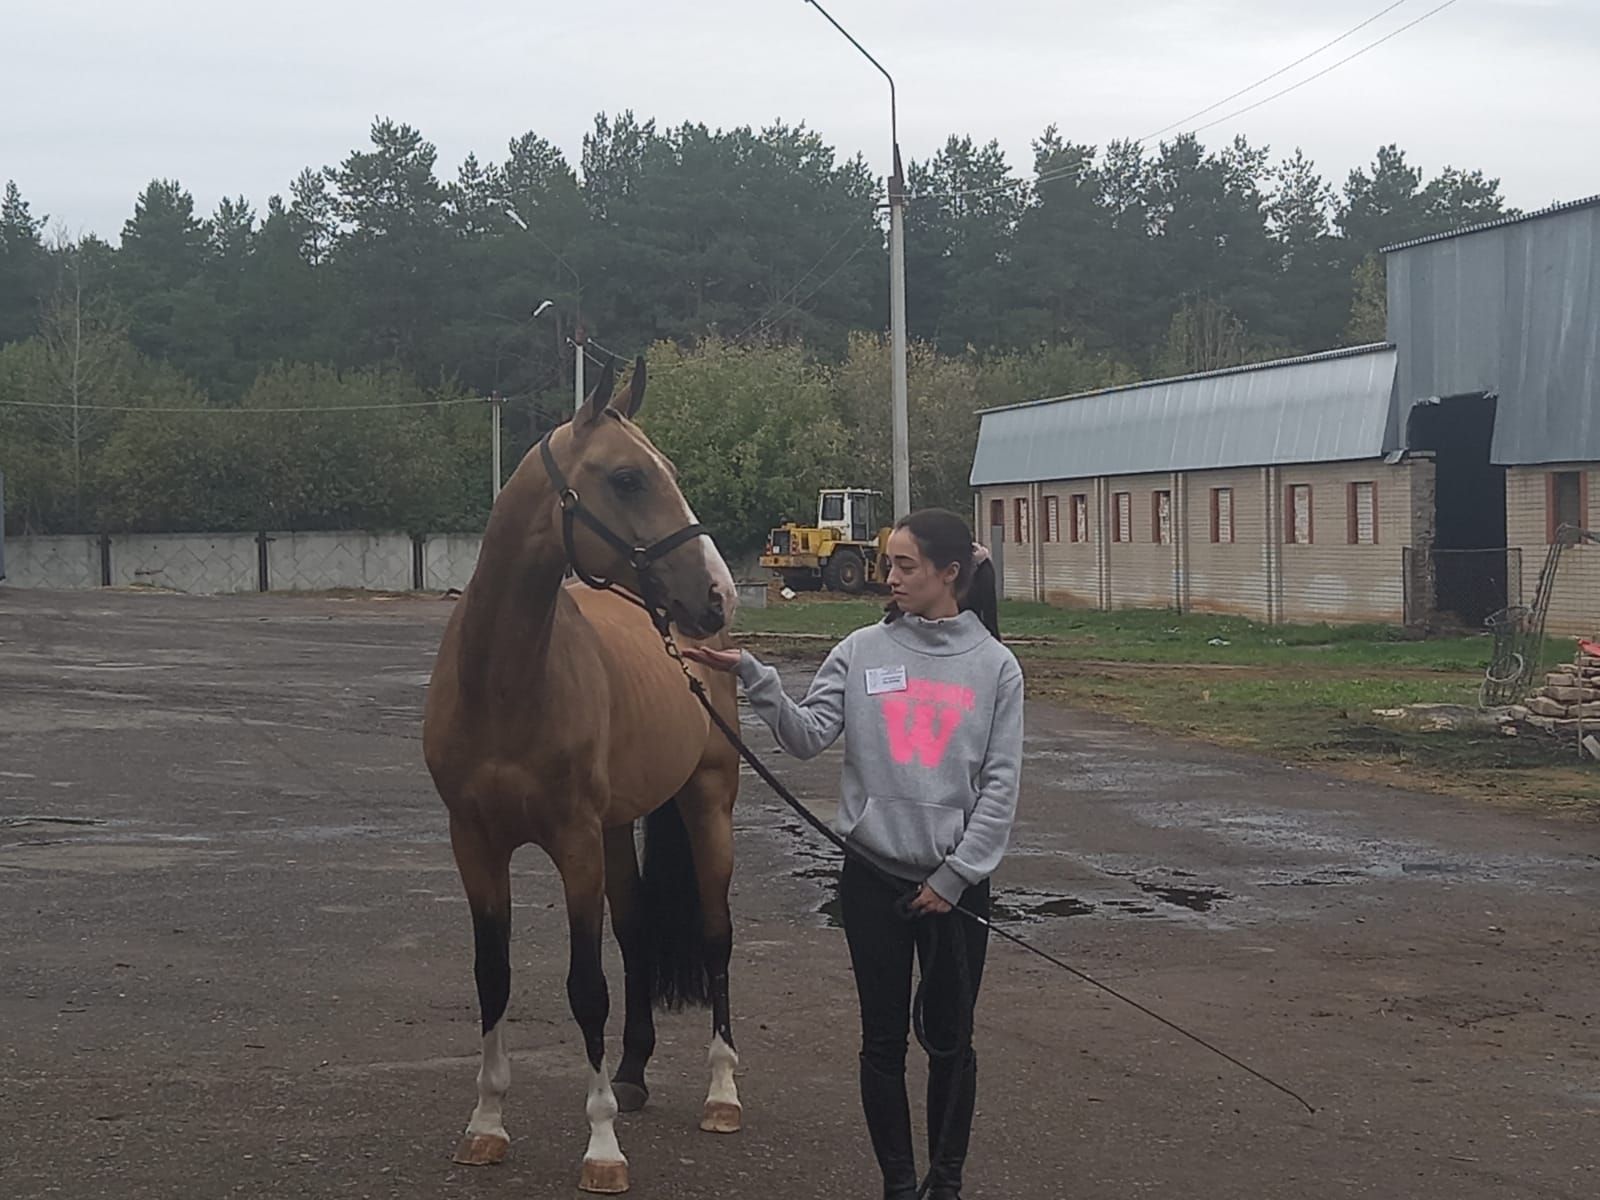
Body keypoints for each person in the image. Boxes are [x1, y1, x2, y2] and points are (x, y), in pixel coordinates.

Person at [685, 508, 1024, 1200]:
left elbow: (1000, 787)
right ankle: (899, 1186)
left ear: (949, 573)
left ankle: (945, 1184)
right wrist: (755, 678)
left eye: (904, 566)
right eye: (888, 564)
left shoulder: (996, 667)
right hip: (872, 881)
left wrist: (956, 877)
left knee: (952, 1045)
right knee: (881, 1046)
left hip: (955, 892)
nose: (888, 577)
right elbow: (807, 736)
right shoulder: (862, 650)